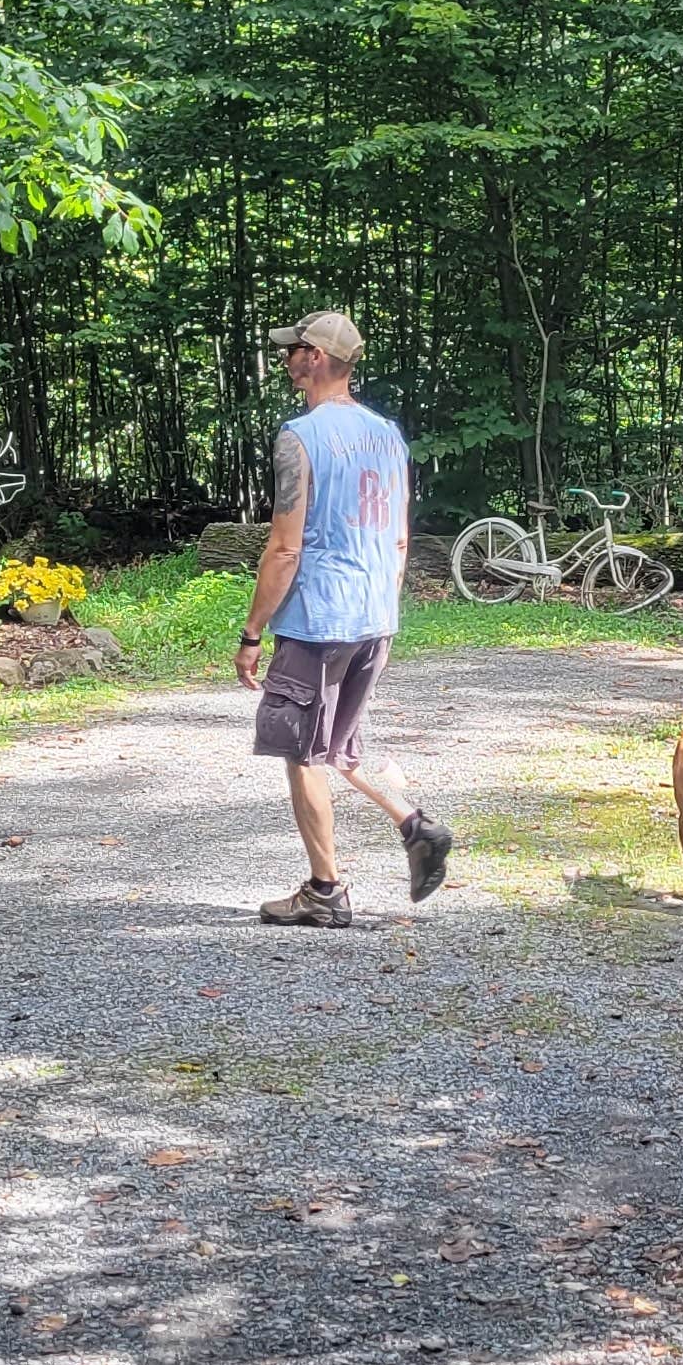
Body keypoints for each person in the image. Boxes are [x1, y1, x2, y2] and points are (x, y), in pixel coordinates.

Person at [237, 307, 455, 926]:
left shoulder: (298, 438)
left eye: (294, 350)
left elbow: (285, 547)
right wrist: (381, 603)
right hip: (373, 615)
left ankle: (325, 892)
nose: (286, 360)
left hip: (318, 620)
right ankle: (416, 825)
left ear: (317, 359)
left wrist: (252, 633)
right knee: (341, 747)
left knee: (303, 754)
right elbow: (401, 537)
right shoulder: (389, 435)